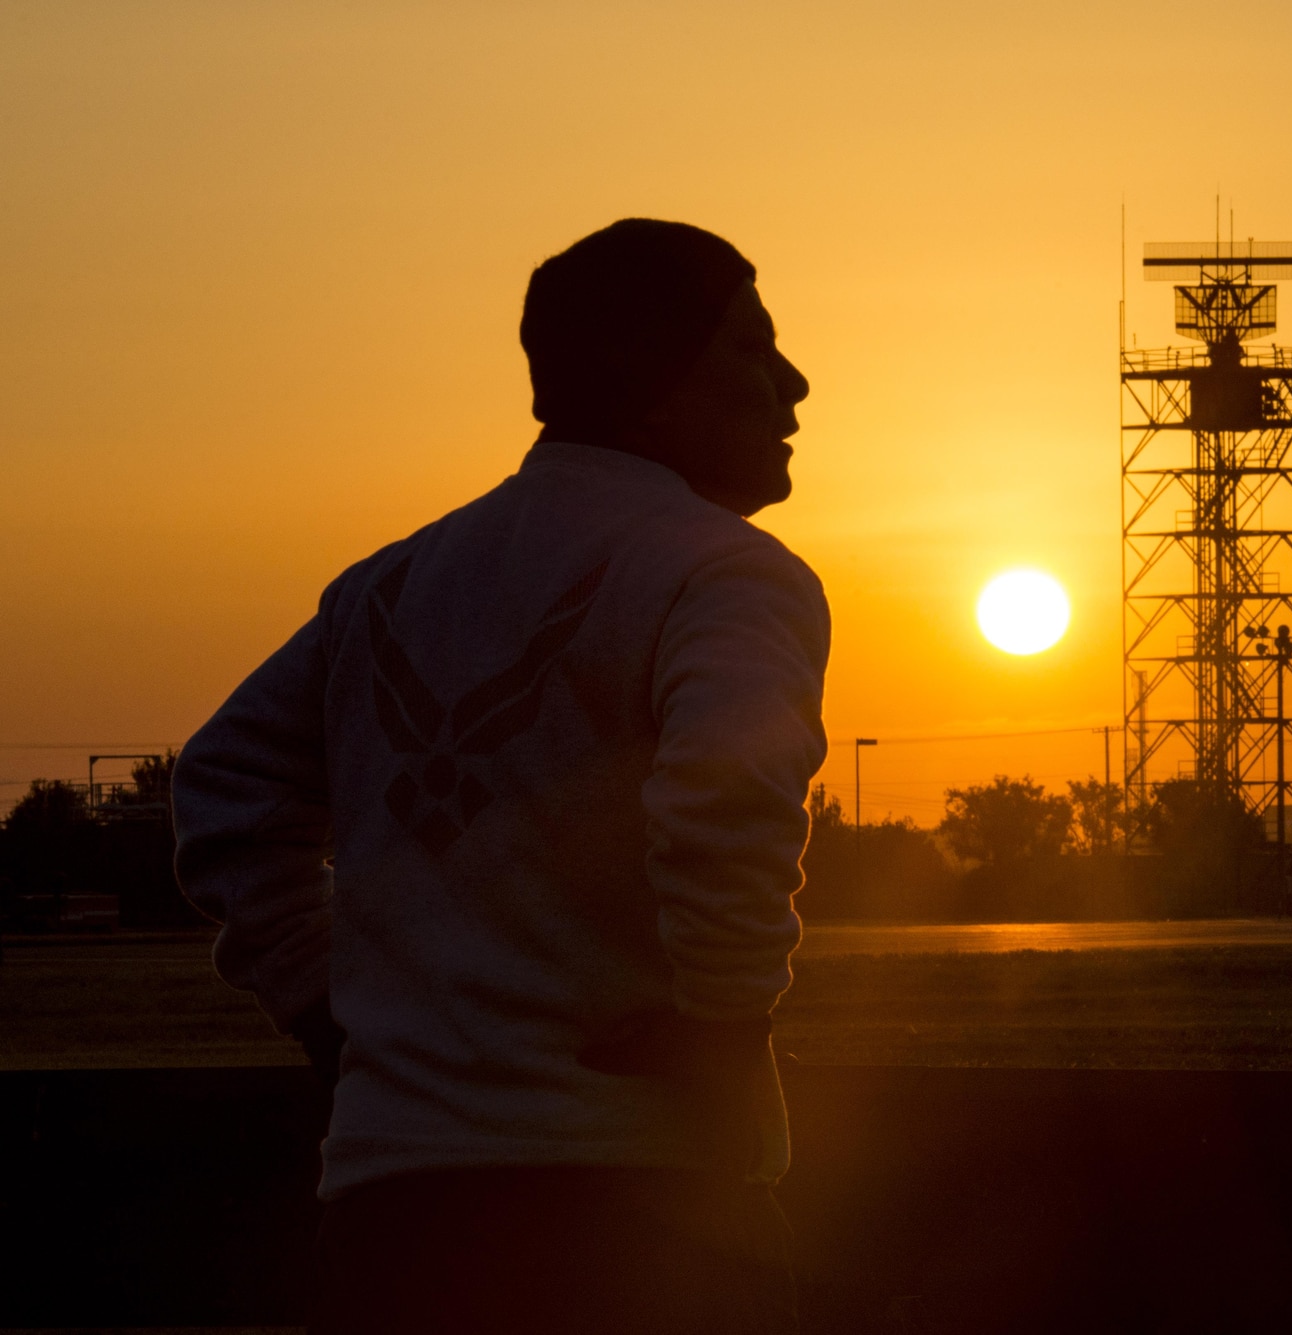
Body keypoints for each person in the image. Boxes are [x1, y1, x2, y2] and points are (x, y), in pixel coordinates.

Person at [172, 218, 826, 1334]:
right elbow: (723, 792)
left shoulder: (387, 587)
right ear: (653, 382)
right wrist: (721, 1025)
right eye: (750, 348)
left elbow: (224, 788)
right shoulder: (724, 572)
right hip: (642, 1204)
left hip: (390, 1214)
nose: (792, 383)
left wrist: (328, 1013)